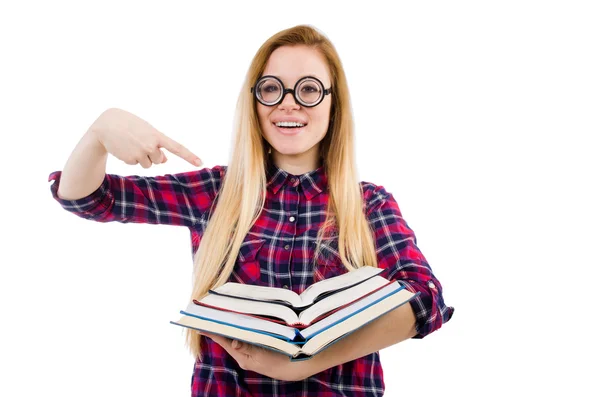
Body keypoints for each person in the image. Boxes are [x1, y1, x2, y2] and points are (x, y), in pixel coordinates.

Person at [48, 24, 454, 397]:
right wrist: (100, 131)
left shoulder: (369, 203)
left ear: (334, 105)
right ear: (255, 102)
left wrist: (305, 364)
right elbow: (87, 199)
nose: (289, 105)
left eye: (309, 90)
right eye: (271, 89)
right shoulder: (216, 193)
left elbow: (426, 298)